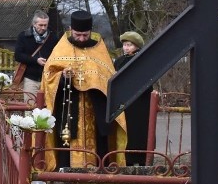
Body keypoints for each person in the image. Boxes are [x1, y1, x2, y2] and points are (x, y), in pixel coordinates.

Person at [41, 10, 127, 170]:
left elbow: (109, 77)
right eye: (78, 34)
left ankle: (98, 177)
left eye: (85, 35)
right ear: (70, 29)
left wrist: (95, 81)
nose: (81, 39)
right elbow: (48, 76)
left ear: (91, 31)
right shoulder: (61, 48)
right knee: (67, 144)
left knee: (99, 146)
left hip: (94, 109)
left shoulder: (99, 49)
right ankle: (66, 178)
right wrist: (62, 76)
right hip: (68, 108)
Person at [114, 30, 153, 166]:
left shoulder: (143, 60)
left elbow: (148, 82)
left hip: (139, 103)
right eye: (125, 45)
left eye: (129, 45)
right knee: (126, 131)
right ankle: (126, 159)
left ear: (137, 46)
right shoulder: (119, 61)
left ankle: (141, 158)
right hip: (123, 104)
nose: (126, 48)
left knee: (139, 130)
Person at [14, 10, 58, 95]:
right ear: (34, 24)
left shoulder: (53, 38)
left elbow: (57, 56)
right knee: (30, 105)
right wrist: (36, 60)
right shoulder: (23, 36)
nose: (43, 28)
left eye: (45, 25)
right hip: (30, 78)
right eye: (40, 25)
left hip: (48, 78)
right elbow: (18, 56)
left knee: (48, 107)